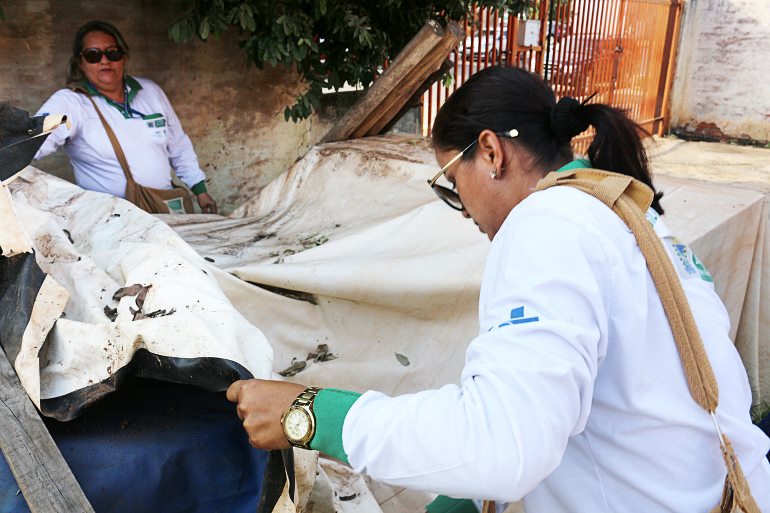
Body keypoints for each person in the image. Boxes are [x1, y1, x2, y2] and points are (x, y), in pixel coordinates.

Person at [225, 66, 770, 512]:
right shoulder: (629, 213)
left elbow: (507, 444)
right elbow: (569, 413)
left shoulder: (547, 223)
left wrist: (315, 413)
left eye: (451, 186)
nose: (462, 211)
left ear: (490, 152)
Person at [34, 20, 217, 213]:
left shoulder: (150, 91)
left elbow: (178, 144)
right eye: (93, 55)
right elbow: (35, 141)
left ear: (124, 57)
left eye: (112, 53)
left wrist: (200, 191)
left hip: (165, 206)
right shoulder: (71, 103)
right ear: (80, 62)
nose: (105, 61)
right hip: (114, 219)